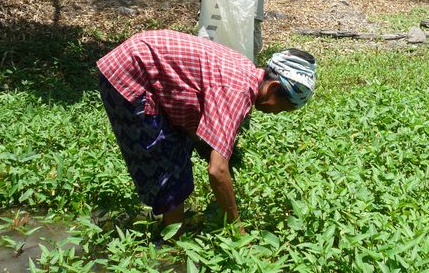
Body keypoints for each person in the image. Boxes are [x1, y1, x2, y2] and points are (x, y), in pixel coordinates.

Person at [97, 29, 317, 236]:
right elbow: (217, 171)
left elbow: (192, 106)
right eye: (281, 108)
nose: (276, 113)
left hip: (139, 63)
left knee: (179, 149)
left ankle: (173, 227)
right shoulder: (237, 92)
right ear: (273, 88)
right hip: (130, 71)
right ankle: (172, 240)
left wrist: (206, 147)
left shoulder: (246, 71)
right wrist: (236, 226)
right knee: (166, 159)